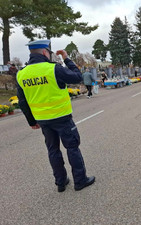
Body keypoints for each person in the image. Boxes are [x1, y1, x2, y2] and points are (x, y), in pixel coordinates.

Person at [16, 39, 95, 192]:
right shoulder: (53, 69)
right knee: (72, 148)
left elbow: (22, 101)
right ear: (45, 52)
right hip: (62, 117)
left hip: (43, 120)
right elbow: (77, 76)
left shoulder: (22, 74)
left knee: (53, 150)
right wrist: (66, 58)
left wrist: (31, 121)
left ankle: (60, 182)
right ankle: (80, 180)